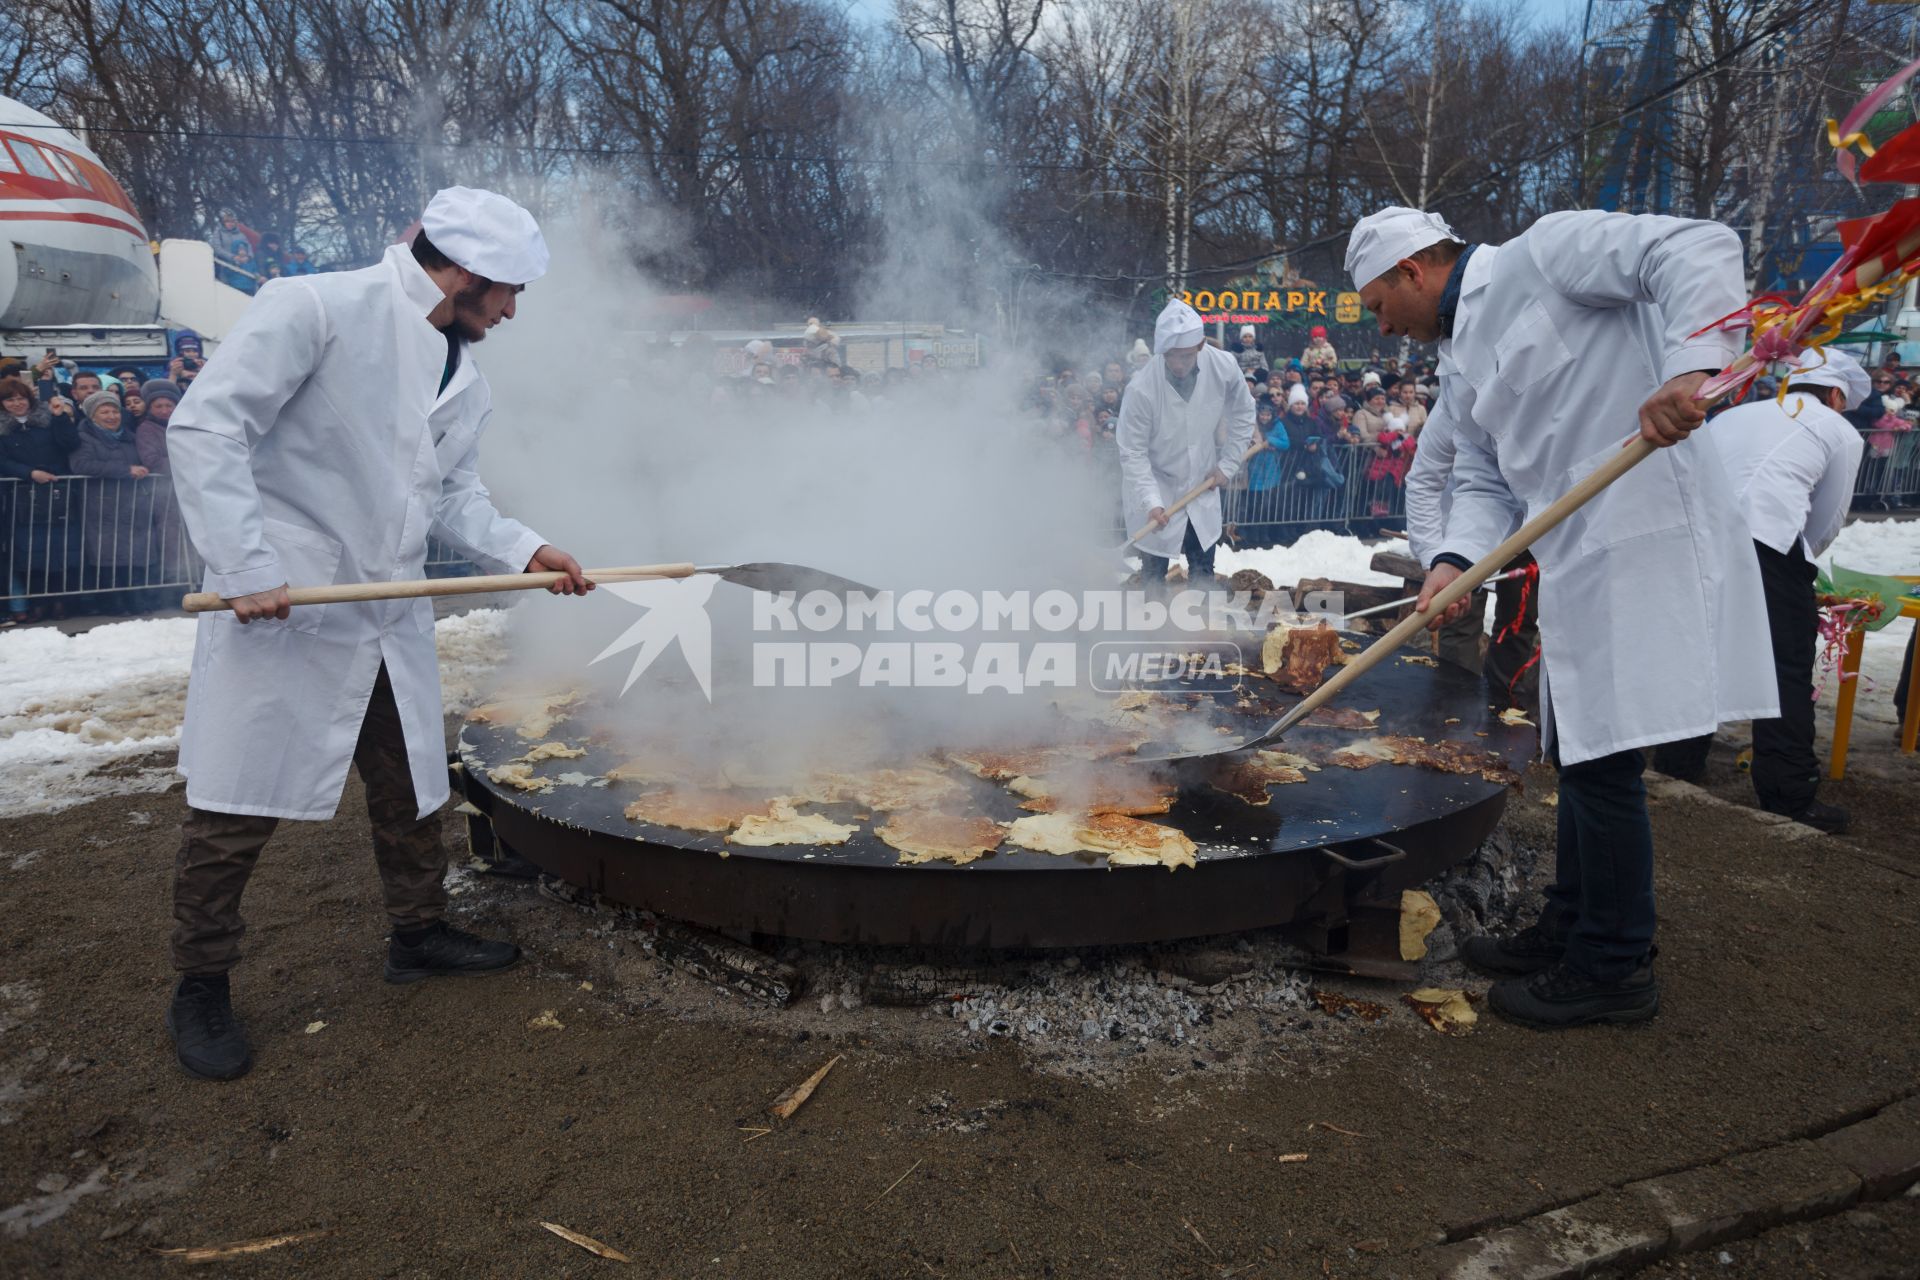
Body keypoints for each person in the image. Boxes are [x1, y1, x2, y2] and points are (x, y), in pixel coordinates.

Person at [162, 187, 593, 1082]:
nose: (512, 313)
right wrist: (245, 568)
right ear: (467, 273)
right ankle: (200, 984)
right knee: (236, 809)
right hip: (287, 607)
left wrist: (526, 550)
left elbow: (453, 495)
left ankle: (418, 932)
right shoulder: (315, 306)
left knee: (409, 788)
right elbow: (208, 427)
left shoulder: (460, 370)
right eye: (510, 292)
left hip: (385, 616)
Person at [1350, 204, 1775, 1029]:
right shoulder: (1459, 358)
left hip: (1643, 527)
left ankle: (1614, 965)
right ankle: (1573, 924)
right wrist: (1453, 560)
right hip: (1576, 552)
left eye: (1376, 303)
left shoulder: (1544, 255)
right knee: (1580, 749)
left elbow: (1696, 245)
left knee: (1605, 760)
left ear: (1412, 270)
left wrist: (1692, 367)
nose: (1382, 325)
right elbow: (1479, 474)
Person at [1652, 348, 1867, 833]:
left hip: (1692, 537)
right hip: (1765, 543)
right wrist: (1798, 563)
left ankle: (1677, 764)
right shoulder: (1839, 429)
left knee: (1697, 654)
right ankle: (1788, 793)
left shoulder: (1738, 413)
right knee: (1784, 668)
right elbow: (1826, 518)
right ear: (1836, 394)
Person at [1116, 299, 1255, 585]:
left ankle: (1199, 627)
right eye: (1171, 356)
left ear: (1201, 345)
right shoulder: (1141, 389)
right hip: (1156, 486)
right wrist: (1151, 501)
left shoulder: (1223, 365)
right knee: (1154, 575)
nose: (1179, 364)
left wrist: (1227, 464)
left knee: (1203, 570)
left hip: (1202, 484)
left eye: (1186, 356)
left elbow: (1243, 411)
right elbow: (1133, 452)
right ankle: (1153, 628)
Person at [67, 389, 156, 613]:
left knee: (133, 553)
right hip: (102, 505)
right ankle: (112, 603)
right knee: (107, 557)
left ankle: (134, 602)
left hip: (132, 504)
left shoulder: (129, 437)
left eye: (114, 411)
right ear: (92, 416)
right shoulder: (84, 437)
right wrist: (126, 470)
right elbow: (81, 465)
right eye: (104, 411)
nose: (111, 416)